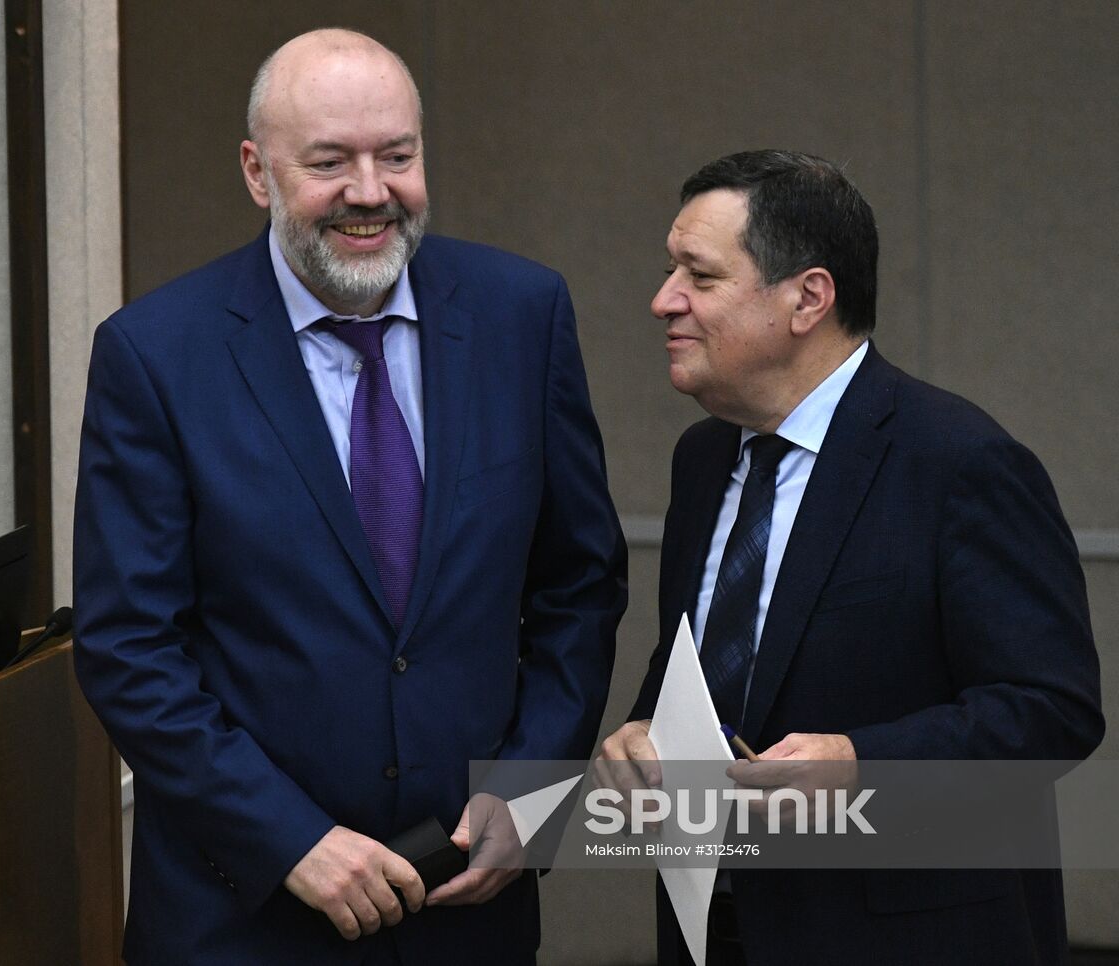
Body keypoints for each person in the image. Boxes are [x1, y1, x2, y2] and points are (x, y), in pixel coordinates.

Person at [73, 28, 627, 965]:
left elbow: (578, 584)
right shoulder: (157, 356)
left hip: (467, 907)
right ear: (258, 172)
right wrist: (291, 839)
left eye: (398, 157)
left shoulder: (521, 317)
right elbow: (129, 645)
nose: (370, 193)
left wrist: (528, 793)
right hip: (243, 917)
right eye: (330, 163)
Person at [599, 150, 1102, 965]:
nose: (664, 301)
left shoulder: (959, 462)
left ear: (808, 298)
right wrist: (642, 728)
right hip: (713, 931)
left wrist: (862, 763)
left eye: (700, 275)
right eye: (669, 270)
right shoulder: (702, 461)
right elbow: (714, 660)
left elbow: (1052, 709)